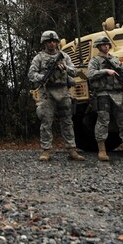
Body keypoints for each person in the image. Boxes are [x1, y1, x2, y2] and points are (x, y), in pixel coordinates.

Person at [29, 30, 85, 162]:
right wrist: (43, 77)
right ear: (44, 43)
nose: (52, 43)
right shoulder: (39, 58)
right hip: (47, 92)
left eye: (54, 41)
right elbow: (31, 74)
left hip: (64, 91)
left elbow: (74, 71)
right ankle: (46, 150)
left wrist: (65, 67)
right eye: (49, 41)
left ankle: (71, 149)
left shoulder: (64, 56)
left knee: (67, 121)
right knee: (46, 121)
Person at [86, 36, 123, 162]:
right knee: (103, 121)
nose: (106, 46)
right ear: (99, 46)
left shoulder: (115, 60)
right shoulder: (95, 60)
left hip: (118, 94)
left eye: (107, 44)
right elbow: (90, 74)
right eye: (103, 45)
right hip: (103, 94)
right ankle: (102, 150)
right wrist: (105, 71)